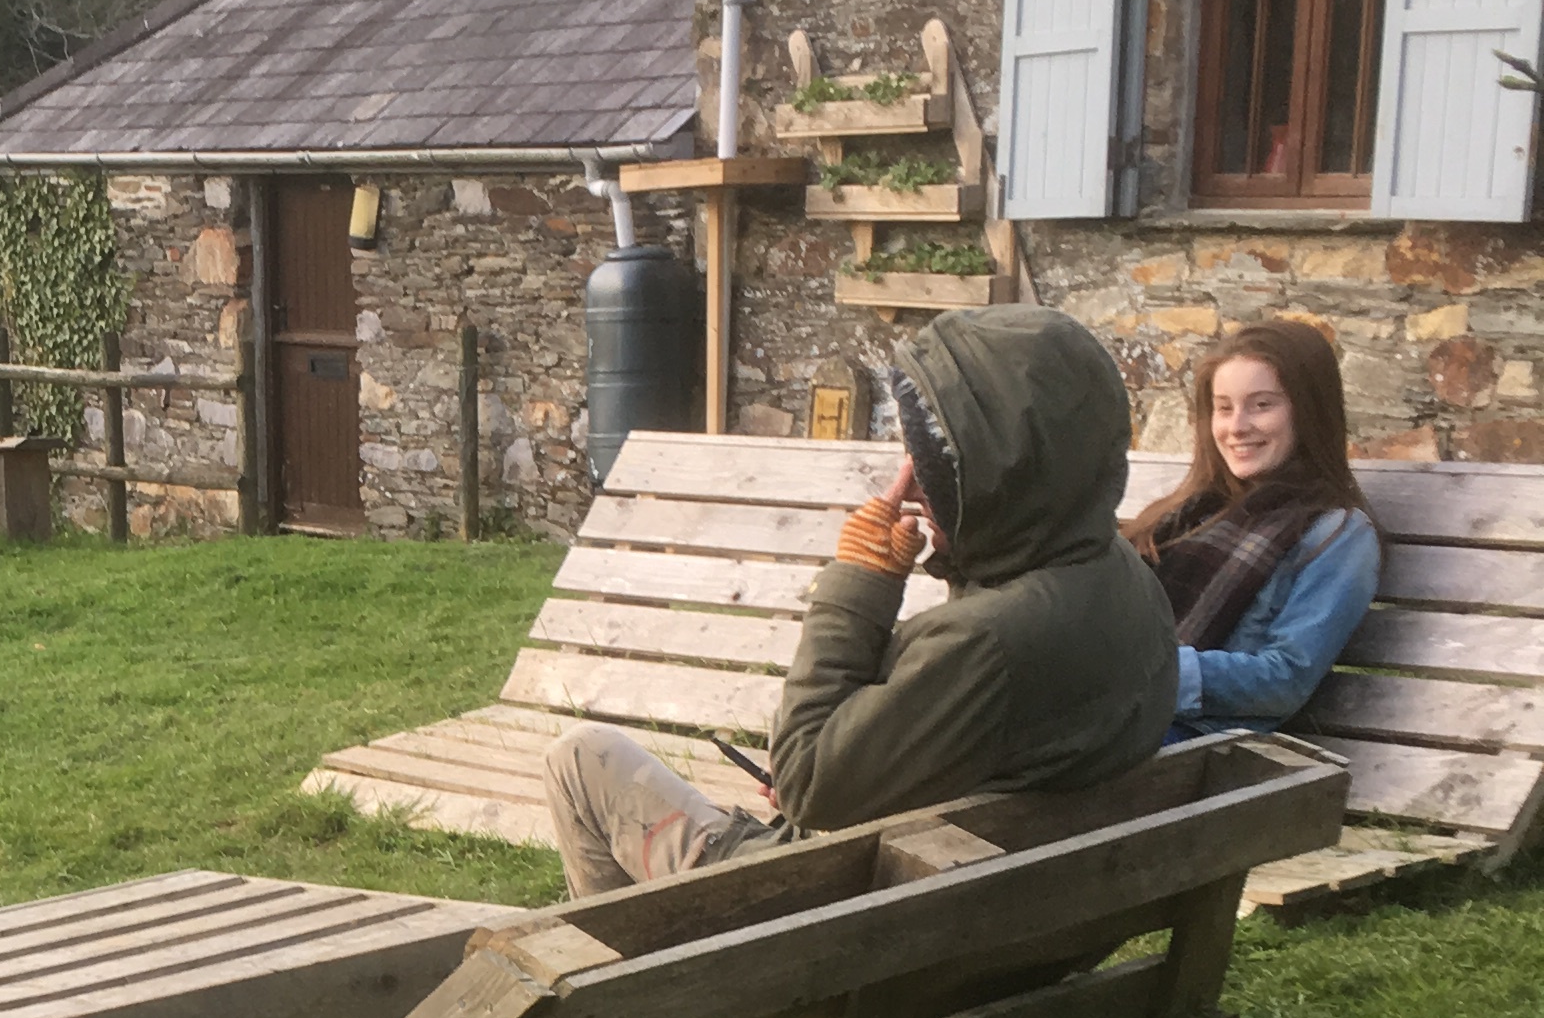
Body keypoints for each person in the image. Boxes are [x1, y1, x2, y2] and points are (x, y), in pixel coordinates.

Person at [545, 302, 1179, 897]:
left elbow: (804, 781)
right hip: (1009, 925)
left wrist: (862, 577)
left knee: (579, 761)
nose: (913, 484)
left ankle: (625, 969)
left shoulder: (988, 643)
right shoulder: (1124, 582)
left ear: (1002, 476)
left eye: (937, 461)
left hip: (839, 929)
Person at [1123, 317, 1378, 736]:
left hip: (1197, 744)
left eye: (1262, 405)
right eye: (1224, 408)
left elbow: (1285, 680)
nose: (1237, 427)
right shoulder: (1189, 511)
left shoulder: (1338, 534)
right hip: (1115, 718)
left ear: (1309, 412)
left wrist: (1140, 672)